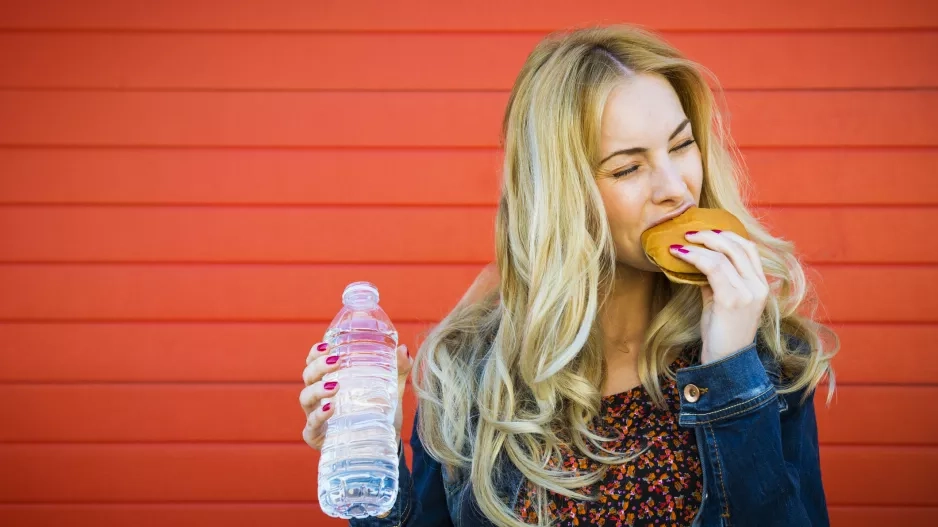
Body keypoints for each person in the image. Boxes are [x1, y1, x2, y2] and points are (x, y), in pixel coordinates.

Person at [301, 24, 839, 527]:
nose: (675, 188)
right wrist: (373, 460)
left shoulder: (765, 354)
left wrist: (730, 374)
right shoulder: (465, 373)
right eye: (628, 167)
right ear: (562, 196)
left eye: (681, 145)